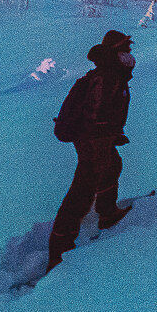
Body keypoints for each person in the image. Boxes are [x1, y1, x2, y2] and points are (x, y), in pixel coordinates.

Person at [47, 29, 134, 274]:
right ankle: (59, 251)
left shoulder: (114, 73)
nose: (129, 53)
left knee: (113, 166)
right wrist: (103, 136)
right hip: (92, 141)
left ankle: (107, 213)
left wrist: (112, 135)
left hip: (98, 139)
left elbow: (107, 111)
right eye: (126, 49)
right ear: (116, 52)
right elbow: (96, 114)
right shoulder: (107, 76)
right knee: (82, 191)